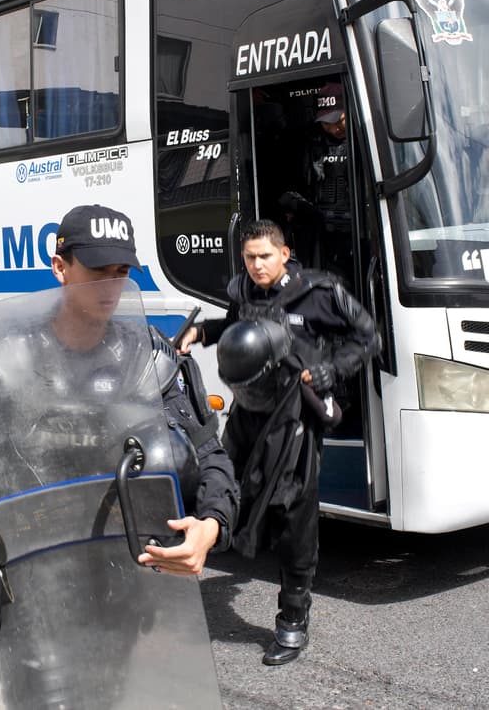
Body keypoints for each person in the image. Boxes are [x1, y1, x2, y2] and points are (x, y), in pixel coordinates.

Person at [0, 203, 238, 574]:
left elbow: (208, 456)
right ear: (61, 268)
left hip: (126, 570)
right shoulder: (3, 357)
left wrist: (211, 525)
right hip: (26, 566)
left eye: (120, 272)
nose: (111, 286)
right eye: (97, 271)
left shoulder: (148, 358)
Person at [177, 218, 378, 666]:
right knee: (218, 485)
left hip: (296, 418)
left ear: (284, 254)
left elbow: (367, 339)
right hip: (249, 410)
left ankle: (292, 618)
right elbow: (235, 324)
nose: (256, 265)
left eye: (264, 256)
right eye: (249, 257)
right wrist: (202, 333)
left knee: (293, 517)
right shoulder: (245, 290)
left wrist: (332, 370)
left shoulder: (322, 292)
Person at [278, 81, 355, 279]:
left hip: (356, 233)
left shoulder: (364, 139)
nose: (333, 127)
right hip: (321, 237)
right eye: (327, 122)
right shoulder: (310, 145)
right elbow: (291, 188)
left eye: (339, 120)